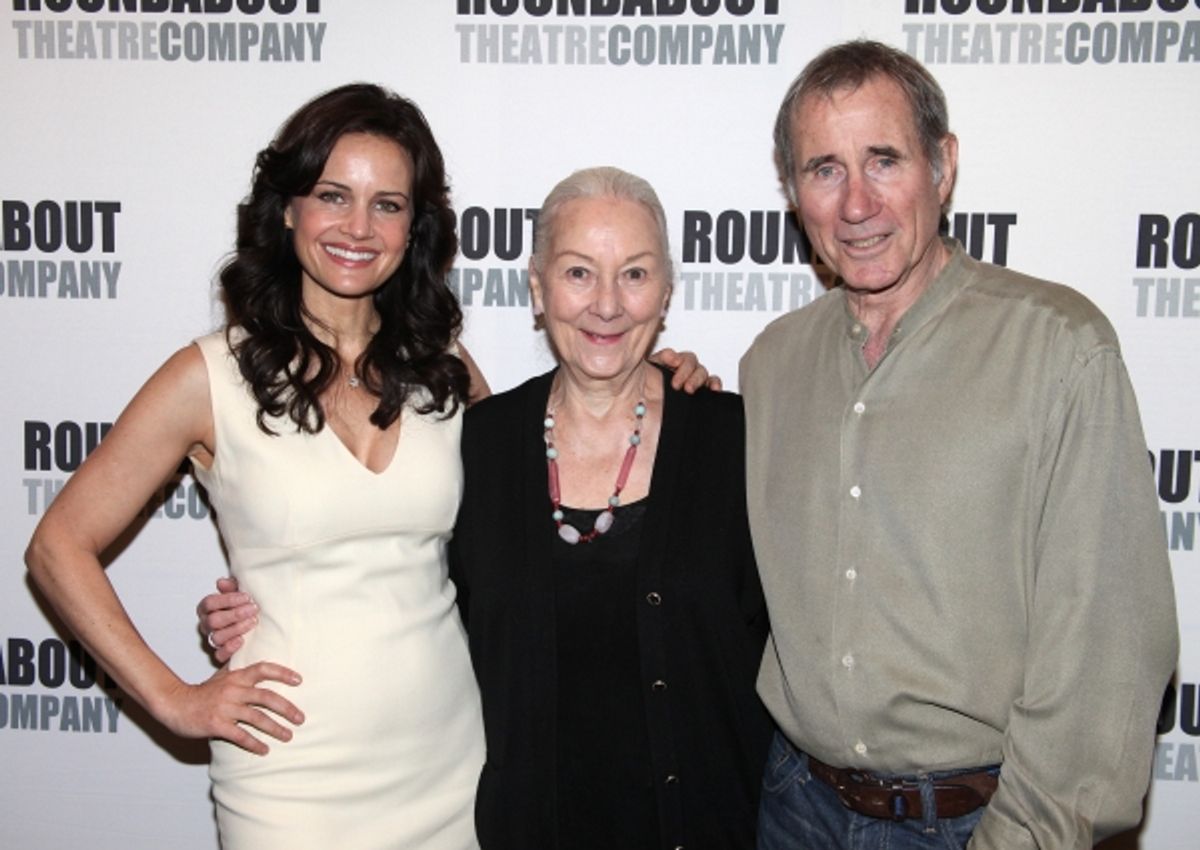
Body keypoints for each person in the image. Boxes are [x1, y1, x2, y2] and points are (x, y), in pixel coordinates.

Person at [205, 166, 773, 849]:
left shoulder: (736, 440)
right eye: (578, 273)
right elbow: (386, 564)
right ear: (536, 288)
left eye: (635, 274)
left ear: (666, 294)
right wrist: (266, 602)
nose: (607, 305)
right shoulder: (474, 441)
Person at [26, 83, 490, 850]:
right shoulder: (208, 377)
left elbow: (539, 505)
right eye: (332, 195)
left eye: (388, 204)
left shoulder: (444, 367)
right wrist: (176, 700)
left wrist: (655, 387)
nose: (357, 227)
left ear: (417, 224)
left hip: (452, 761)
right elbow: (57, 546)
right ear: (286, 209)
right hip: (288, 774)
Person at [740, 40, 1179, 850]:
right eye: (824, 169)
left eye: (884, 160)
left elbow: (1109, 649)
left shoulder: (1059, 348)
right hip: (793, 804)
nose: (857, 203)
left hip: (980, 822)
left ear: (943, 166)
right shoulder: (771, 363)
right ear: (792, 190)